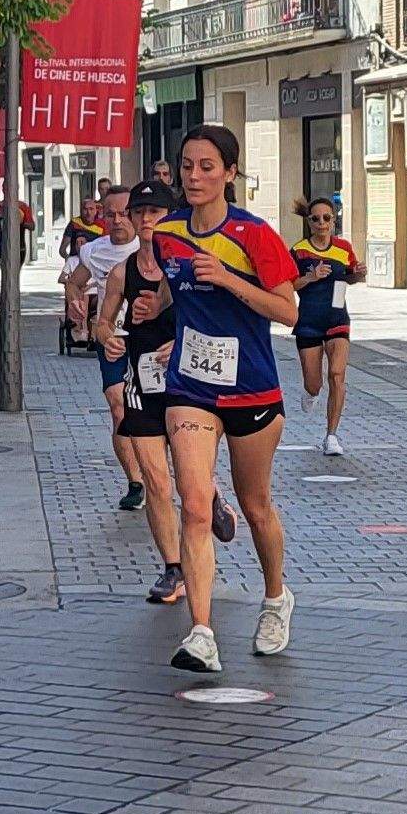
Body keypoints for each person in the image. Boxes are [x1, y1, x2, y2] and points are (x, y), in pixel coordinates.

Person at [153, 125, 300, 674]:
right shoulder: (166, 234)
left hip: (252, 388)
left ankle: (275, 598)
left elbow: (288, 312)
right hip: (190, 387)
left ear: (230, 174)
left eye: (207, 167)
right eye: (187, 165)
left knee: (256, 505)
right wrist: (162, 317)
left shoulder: (255, 235)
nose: (194, 176)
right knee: (193, 503)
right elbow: (174, 283)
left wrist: (230, 281)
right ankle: (201, 632)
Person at [95, 179, 236, 604]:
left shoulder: (189, 265)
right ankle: (173, 569)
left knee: (187, 476)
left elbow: (217, 320)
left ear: (169, 217)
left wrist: (181, 342)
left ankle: (209, 496)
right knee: (157, 481)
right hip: (142, 381)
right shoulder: (124, 271)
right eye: (140, 213)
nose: (146, 221)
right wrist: (108, 338)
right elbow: (102, 321)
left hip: (186, 383)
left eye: (154, 213)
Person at [65, 188, 151, 510]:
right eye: (109, 214)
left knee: (154, 409)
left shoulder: (149, 246)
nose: (116, 220)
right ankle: (135, 482)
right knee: (118, 405)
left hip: (149, 339)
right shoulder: (94, 251)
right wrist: (75, 301)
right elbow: (73, 281)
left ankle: (159, 469)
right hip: (111, 334)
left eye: (123, 213)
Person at [290, 197, 364, 457]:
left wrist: (359, 273)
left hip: (337, 319)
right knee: (315, 383)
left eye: (327, 218)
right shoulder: (299, 251)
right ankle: (311, 393)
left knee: (337, 375)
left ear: (334, 220)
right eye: (316, 218)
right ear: (309, 222)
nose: (322, 223)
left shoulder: (343, 248)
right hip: (308, 321)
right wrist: (311, 277)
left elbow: (351, 276)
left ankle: (331, 436)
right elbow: (288, 284)